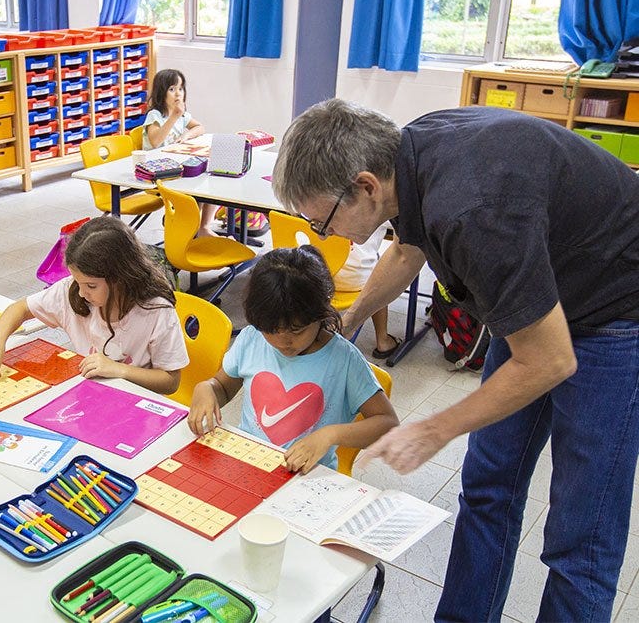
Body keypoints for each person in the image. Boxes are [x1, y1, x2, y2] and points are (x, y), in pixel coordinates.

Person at [271, 98, 639, 621]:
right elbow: (406, 251)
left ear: (366, 185)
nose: (323, 235)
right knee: (489, 490)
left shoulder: (473, 208)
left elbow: (550, 360)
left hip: (615, 310)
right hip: (536, 299)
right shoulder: (410, 156)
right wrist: (347, 321)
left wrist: (433, 428)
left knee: (581, 533)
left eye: (323, 221)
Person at [187, 246, 398, 472]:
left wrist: (330, 434)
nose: (282, 342)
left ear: (321, 313)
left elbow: (388, 424)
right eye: (271, 330)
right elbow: (223, 387)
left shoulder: (343, 359)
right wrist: (207, 388)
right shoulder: (252, 338)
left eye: (297, 331)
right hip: (248, 462)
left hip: (306, 475)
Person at [0, 217, 189, 395]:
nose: (81, 293)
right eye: (77, 282)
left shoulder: (155, 311)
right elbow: (20, 308)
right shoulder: (72, 291)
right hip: (89, 395)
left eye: (91, 285)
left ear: (121, 278)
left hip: (133, 404)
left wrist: (119, 370)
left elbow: (170, 381)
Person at [142, 68, 215, 238]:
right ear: (162, 92)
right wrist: (174, 117)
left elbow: (200, 127)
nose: (178, 94)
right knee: (196, 186)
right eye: (172, 89)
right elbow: (155, 141)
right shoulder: (155, 116)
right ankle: (181, 222)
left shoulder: (183, 116)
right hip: (158, 172)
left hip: (178, 166)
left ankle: (203, 226)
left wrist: (186, 134)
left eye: (181, 89)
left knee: (210, 178)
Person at [336, 222, 401, 359]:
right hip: (354, 280)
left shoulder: (313, 203)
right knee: (380, 272)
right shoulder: (379, 204)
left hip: (319, 274)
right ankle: (383, 340)